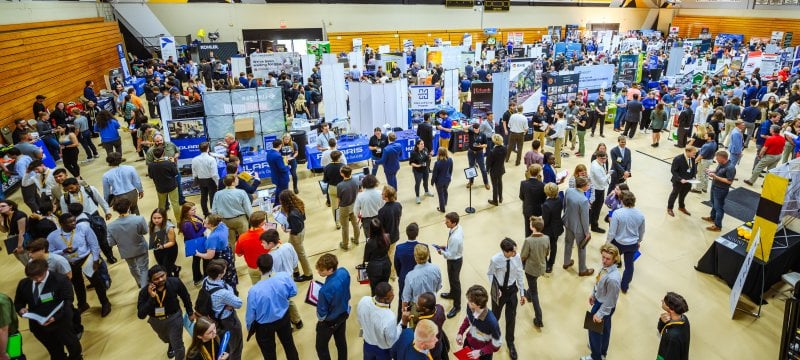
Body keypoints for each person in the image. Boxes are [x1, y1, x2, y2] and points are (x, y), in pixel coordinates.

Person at [14, 259, 82, 359]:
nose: (36, 279)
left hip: (61, 323)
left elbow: (68, 301)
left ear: (46, 270)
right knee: (54, 350)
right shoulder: (24, 283)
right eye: (33, 277)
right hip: (39, 326)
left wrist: (55, 317)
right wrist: (21, 309)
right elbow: (18, 302)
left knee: (72, 345)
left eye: (39, 276)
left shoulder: (61, 280)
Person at [245, 254, 299, 360]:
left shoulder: (254, 290)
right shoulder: (284, 276)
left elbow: (250, 314)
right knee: (289, 344)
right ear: (272, 264)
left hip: (264, 326)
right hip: (283, 317)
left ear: (258, 268)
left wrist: (249, 327)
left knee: (269, 353)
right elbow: (293, 292)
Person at [137, 265, 193, 360]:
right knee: (165, 339)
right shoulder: (144, 292)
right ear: (150, 281)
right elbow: (141, 315)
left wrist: (190, 312)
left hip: (174, 318)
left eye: (162, 276)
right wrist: (152, 298)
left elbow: (185, 297)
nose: (160, 279)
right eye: (156, 279)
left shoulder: (175, 282)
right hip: (156, 321)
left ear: (166, 274)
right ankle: (170, 343)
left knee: (178, 345)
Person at [581, 243, 622, 360]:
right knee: (605, 328)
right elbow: (599, 282)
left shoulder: (613, 279)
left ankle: (595, 356)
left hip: (603, 306)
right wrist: (593, 294)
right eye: (603, 257)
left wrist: (599, 314)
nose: (604, 261)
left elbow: (610, 301)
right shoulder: (605, 268)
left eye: (608, 259)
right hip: (600, 300)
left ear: (615, 259)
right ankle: (602, 351)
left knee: (593, 329)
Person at [487, 238, 526, 359]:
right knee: (495, 316)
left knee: (511, 318)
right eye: (513, 252)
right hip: (499, 292)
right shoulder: (495, 260)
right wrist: (495, 288)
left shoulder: (517, 257)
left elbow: (519, 273)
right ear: (505, 251)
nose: (515, 253)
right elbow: (490, 274)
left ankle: (510, 343)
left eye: (515, 250)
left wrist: (522, 292)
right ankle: (491, 337)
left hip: (512, 290)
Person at [199, 259, 243, 360]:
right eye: (224, 270)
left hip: (214, 318)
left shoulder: (206, 280)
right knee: (235, 346)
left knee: (223, 342)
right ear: (220, 274)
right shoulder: (222, 293)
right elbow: (238, 303)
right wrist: (229, 301)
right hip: (228, 321)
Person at [107, 197, 149, 289]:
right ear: (129, 207)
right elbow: (145, 231)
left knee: (132, 267)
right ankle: (144, 287)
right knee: (143, 268)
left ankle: (139, 282)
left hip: (125, 251)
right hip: (140, 247)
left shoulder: (110, 226)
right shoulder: (139, 219)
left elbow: (111, 243)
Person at [607, 190, 645, 293]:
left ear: (622, 200)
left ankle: (608, 282)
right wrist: (638, 241)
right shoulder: (640, 215)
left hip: (618, 243)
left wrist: (607, 243)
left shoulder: (617, 213)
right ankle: (624, 286)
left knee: (611, 263)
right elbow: (642, 232)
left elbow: (612, 232)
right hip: (632, 244)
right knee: (629, 266)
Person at [315, 254, 351, 360]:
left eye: (321, 270)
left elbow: (321, 314)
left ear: (330, 270)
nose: (319, 272)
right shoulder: (344, 272)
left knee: (321, 347)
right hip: (344, 312)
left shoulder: (324, 291)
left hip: (330, 321)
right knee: (341, 341)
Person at [357, 282, 405, 359]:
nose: (393, 295)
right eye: (392, 295)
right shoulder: (389, 317)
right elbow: (391, 341)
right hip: (383, 351)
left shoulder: (363, 300)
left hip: (367, 344)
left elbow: (360, 321)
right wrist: (402, 323)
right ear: (385, 299)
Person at [455, 285, 501, 359]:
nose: (468, 303)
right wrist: (460, 332)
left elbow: (497, 344)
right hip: (468, 345)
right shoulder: (470, 307)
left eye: (470, 303)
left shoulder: (492, 322)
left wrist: (480, 352)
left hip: (483, 354)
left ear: (478, 305)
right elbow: (468, 319)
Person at [278, 190, 313, 282]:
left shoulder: (292, 214)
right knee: (291, 250)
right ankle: (295, 270)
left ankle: (308, 274)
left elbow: (296, 229)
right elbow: (303, 219)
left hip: (296, 235)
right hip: (301, 232)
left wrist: (286, 230)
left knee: (301, 254)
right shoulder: (299, 203)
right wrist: (279, 208)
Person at [563, 176, 594, 277]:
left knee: (568, 243)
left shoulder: (569, 191)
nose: (589, 186)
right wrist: (587, 232)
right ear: (584, 186)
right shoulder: (584, 200)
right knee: (581, 248)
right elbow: (585, 219)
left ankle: (566, 262)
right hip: (579, 228)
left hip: (568, 222)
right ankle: (582, 269)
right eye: (588, 185)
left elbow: (565, 205)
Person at [520, 216, 549, 328]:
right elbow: (547, 252)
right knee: (533, 284)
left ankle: (539, 318)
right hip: (541, 268)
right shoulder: (546, 238)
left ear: (532, 227)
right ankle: (529, 295)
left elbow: (523, 256)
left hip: (531, 269)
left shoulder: (528, 240)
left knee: (534, 292)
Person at [401, 245, 442, 319]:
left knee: (417, 328)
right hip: (432, 305)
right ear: (428, 256)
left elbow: (406, 299)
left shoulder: (410, 276)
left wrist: (404, 314)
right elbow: (438, 287)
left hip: (418, 308)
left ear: (415, 258)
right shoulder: (436, 269)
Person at [212, 175, 252, 250]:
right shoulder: (241, 192)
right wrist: (252, 220)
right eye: (237, 179)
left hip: (224, 221)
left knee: (230, 244)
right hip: (240, 220)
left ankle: (231, 260)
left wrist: (217, 223)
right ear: (233, 182)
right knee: (246, 241)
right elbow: (248, 209)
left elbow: (214, 210)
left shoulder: (217, 194)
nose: (238, 180)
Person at [435, 212, 463, 318]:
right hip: (454, 257)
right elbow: (452, 249)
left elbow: (450, 255)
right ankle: (452, 293)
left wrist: (442, 252)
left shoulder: (456, 238)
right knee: (451, 279)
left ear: (453, 223)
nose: (445, 223)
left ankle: (457, 306)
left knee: (455, 282)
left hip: (455, 261)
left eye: (447, 222)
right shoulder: (458, 227)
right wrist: (447, 247)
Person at [702, 150, 736, 232]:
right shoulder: (721, 163)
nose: (716, 160)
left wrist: (715, 177)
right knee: (713, 204)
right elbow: (717, 171)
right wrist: (711, 171)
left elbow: (729, 181)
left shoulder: (730, 168)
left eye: (717, 158)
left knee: (718, 207)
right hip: (714, 186)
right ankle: (712, 217)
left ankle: (718, 226)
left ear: (723, 158)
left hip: (721, 190)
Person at [233, 211, 267, 284]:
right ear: (261, 223)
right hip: (267, 266)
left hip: (252, 267)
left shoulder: (242, 237)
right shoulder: (267, 234)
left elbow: (238, 254)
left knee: (256, 288)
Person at [148, 147, 181, 221]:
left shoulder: (151, 165)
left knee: (161, 205)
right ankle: (179, 221)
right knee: (175, 204)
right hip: (172, 186)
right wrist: (173, 163)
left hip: (160, 188)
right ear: (163, 154)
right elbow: (176, 173)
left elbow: (150, 176)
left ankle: (162, 221)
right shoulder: (169, 163)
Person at [657, 292, 691, 360]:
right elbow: (662, 332)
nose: (662, 301)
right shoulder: (684, 318)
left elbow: (670, 356)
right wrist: (662, 321)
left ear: (671, 309)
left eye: (664, 302)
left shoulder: (672, 336)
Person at [667, 146, 697, 217]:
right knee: (674, 194)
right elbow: (673, 171)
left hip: (688, 181)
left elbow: (693, 168)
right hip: (678, 181)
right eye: (694, 153)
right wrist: (680, 179)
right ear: (687, 151)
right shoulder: (678, 159)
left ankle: (681, 207)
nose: (695, 155)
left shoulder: (692, 158)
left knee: (683, 195)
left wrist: (693, 176)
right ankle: (669, 208)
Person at [364, 218, 392, 295]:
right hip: (386, 265)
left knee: (375, 290)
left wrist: (365, 268)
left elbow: (366, 258)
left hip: (374, 270)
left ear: (371, 229)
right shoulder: (387, 237)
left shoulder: (370, 243)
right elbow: (388, 249)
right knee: (385, 288)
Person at [149, 208, 180, 278]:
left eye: (159, 218)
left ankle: (171, 284)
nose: (156, 220)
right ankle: (176, 269)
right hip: (158, 248)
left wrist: (162, 246)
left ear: (164, 217)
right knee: (162, 266)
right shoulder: (151, 224)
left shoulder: (169, 228)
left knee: (165, 272)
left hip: (170, 249)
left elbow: (172, 242)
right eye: (154, 218)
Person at [192, 142, 220, 216]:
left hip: (201, 179)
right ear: (208, 149)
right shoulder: (211, 159)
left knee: (203, 196)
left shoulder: (194, 159)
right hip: (210, 180)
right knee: (212, 197)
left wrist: (196, 179)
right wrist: (217, 182)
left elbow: (194, 172)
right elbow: (214, 174)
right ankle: (214, 214)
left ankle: (205, 213)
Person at [541, 183, 563, 273]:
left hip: (548, 230)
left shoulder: (546, 205)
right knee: (554, 246)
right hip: (557, 227)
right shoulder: (559, 199)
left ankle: (546, 264)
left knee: (545, 247)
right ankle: (551, 263)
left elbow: (545, 221)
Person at [0, 200, 30, 266]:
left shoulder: (19, 215)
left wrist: (19, 246)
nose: (0, 208)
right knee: (23, 261)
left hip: (22, 240)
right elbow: (5, 230)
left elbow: (22, 232)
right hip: (13, 240)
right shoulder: (5, 216)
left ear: (10, 206)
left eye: (3, 206)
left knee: (28, 261)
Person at [519, 164, 546, 237]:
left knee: (527, 228)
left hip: (527, 209)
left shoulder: (523, 183)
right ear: (538, 173)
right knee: (537, 228)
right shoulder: (542, 185)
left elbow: (521, 197)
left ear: (529, 172)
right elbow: (544, 199)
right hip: (537, 210)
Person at [354, 175, 383, 240]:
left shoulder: (360, 196)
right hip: (379, 218)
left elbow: (356, 210)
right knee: (380, 235)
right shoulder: (380, 193)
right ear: (375, 182)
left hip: (367, 221)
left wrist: (357, 215)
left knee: (369, 238)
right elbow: (384, 206)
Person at [589, 152, 610, 232]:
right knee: (596, 208)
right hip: (597, 189)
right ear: (597, 157)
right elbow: (602, 180)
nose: (604, 160)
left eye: (605, 158)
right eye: (602, 158)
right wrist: (609, 174)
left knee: (595, 208)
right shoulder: (596, 167)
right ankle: (594, 226)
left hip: (599, 188)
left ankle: (591, 221)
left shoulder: (598, 162)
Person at [267, 139, 291, 204]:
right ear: (280, 145)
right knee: (284, 194)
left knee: (278, 191)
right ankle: (282, 206)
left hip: (275, 176)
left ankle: (276, 204)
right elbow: (282, 168)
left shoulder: (269, 153)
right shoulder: (278, 156)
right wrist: (288, 167)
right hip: (282, 178)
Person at [409, 140, 433, 204]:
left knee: (425, 181)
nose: (423, 145)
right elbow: (411, 163)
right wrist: (418, 165)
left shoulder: (425, 149)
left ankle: (426, 192)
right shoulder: (414, 153)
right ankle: (417, 196)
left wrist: (430, 155)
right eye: (421, 144)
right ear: (417, 145)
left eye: (423, 144)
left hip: (425, 169)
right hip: (417, 171)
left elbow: (427, 158)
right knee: (418, 183)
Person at [467, 123, 490, 190]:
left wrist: (481, 146)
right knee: (471, 167)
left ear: (479, 128)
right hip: (471, 152)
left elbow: (486, 145)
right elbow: (464, 128)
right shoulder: (471, 132)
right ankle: (471, 182)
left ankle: (486, 183)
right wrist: (470, 125)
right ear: (473, 129)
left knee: (483, 168)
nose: (476, 130)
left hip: (479, 153)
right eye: (475, 129)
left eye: (477, 129)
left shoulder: (483, 134)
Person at [431, 147, 453, 213]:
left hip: (439, 182)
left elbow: (434, 174)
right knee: (445, 191)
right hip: (447, 179)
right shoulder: (450, 160)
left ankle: (442, 209)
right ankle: (445, 203)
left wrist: (432, 182)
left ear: (439, 153)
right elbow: (450, 170)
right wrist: (449, 177)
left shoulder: (437, 163)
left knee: (440, 195)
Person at [486, 135, 507, 206]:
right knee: (500, 183)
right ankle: (500, 197)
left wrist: (487, 170)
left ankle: (495, 200)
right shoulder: (504, 148)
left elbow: (489, 162)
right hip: (501, 169)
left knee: (495, 185)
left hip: (494, 170)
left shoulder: (492, 151)